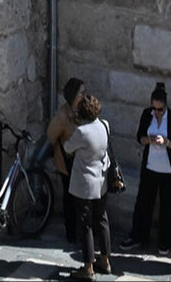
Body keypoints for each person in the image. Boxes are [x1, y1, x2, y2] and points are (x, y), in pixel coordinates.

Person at [128, 81, 171, 255]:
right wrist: (148, 139)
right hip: (150, 167)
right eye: (155, 109)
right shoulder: (147, 115)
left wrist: (165, 142)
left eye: (160, 109)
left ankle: (165, 242)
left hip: (169, 171)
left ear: (165, 107)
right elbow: (139, 137)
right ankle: (138, 236)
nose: (157, 112)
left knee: (167, 208)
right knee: (143, 203)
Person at [63, 90, 112, 280]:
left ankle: (88, 267)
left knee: (85, 225)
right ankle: (105, 260)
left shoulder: (82, 132)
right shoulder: (105, 125)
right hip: (101, 180)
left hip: (84, 184)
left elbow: (68, 148)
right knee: (102, 220)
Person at [46, 76, 84, 249]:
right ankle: (71, 233)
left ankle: (83, 231)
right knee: (69, 198)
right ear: (73, 95)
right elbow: (51, 135)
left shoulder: (84, 110)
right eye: (81, 92)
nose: (84, 95)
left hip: (82, 162)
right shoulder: (62, 116)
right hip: (67, 164)